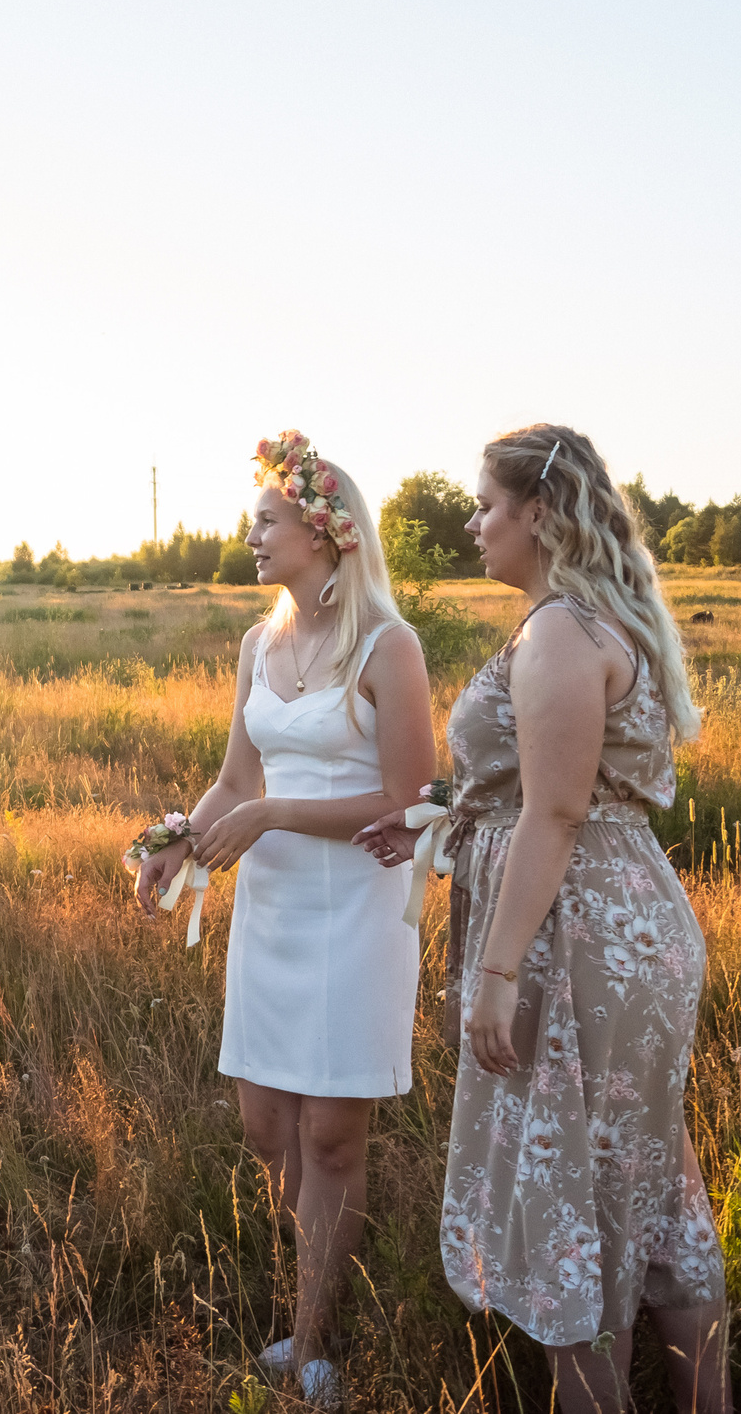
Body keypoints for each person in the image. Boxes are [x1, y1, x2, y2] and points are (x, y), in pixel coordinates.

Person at [355, 423, 729, 1414]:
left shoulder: (563, 630)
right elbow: (530, 793)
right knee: (644, 1175)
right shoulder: (583, 622)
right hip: (614, 921)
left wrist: (495, 973)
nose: (473, 522)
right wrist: (440, 820)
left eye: (485, 503)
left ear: (540, 513)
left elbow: (557, 811)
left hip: (578, 940)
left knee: (582, 1197)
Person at [134, 432, 432, 1410]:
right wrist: (179, 841)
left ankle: (311, 1338)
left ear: (322, 530)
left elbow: (407, 797)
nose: (250, 536)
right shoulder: (258, 644)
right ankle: (307, 1288)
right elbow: (234, 780)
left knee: (334, 1137)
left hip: (355, 907)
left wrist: (271, 818)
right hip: (270, 913)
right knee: (266, 1127)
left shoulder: (389, 646)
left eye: (265, 521)